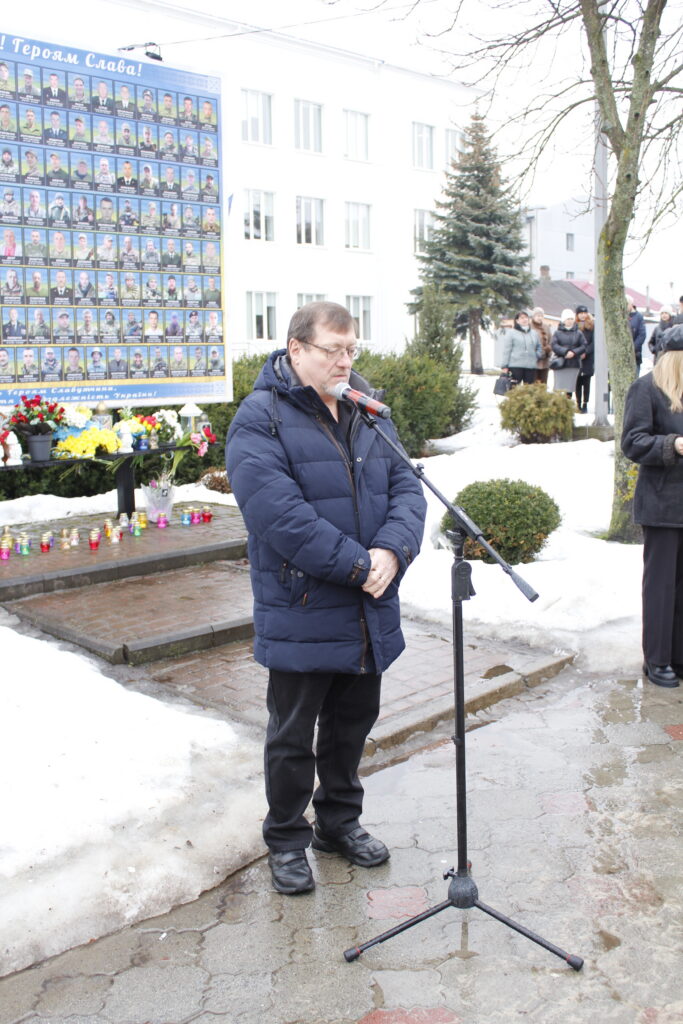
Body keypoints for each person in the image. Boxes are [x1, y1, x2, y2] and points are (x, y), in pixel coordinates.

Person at [225, 301, 427, 895]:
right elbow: (278, 515)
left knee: (351, 725)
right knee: (293, 734)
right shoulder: (259, 418)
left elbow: (406, 487)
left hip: (367, 605)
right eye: (332, 350)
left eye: (351, 349)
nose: (345, 361)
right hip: (304, 605)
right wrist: (360, 566)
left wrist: (392, 551)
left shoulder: (367, 410)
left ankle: (338, 824)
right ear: (296, 349)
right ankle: (287, 839)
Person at [621, 326, 683, 688]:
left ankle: (679, 656)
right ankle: (657, 659)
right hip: (662, 505)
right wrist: (672, 445)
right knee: (661, 587)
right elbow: (632, 441)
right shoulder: (646, 388)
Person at [498, 310, 543, 385]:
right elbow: (507, 350)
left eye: (526, 317)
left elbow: (539, 347)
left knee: (529, 389)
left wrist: (536, 355)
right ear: (517, 321)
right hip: (515, 366)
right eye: (522, 318)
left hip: (530, 366)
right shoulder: (511, 333)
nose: (525, 319)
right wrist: (504, 366)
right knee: (514, 388)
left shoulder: (534, 333)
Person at [551, 308, 586, 398]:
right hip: (561, 363)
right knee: (559, 387)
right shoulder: (557, 333)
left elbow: (583, 345)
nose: (570, 321)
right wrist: (565, 352)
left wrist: (574, 352)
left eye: (571, 319)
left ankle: (568, 402)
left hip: (574, 363)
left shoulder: (578, 333)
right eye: (568, 319)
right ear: (563, 320)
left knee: (570, 387)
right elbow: (554, 345)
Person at [574, 305, 595, 413]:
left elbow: (593, 343)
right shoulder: (574, 326)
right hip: (577, 357)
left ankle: (585, 403)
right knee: (577, 382)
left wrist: (585, 352)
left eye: (584, 313)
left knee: (586, 382)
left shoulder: (592, 326)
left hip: (588, 358)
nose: (583, 315)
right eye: (580, 313)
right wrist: (578, 352)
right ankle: (578, 403)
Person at [529, 307, 553, 385]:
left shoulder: (546, 327)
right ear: (533, 316)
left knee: (543, 383)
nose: (539, 318)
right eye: (538, 316)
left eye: (541, 316)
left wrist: (548, 349)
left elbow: (551, 340)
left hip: (545, 360)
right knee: (533, 383)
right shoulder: (529, 327)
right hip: (533, 360)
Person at [626, 295, 646, 373]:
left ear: (631, 304)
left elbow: (642, 335)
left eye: (627, 304)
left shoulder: (639, 317)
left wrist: (632, 348)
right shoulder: (620, 316)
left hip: (635, 355)